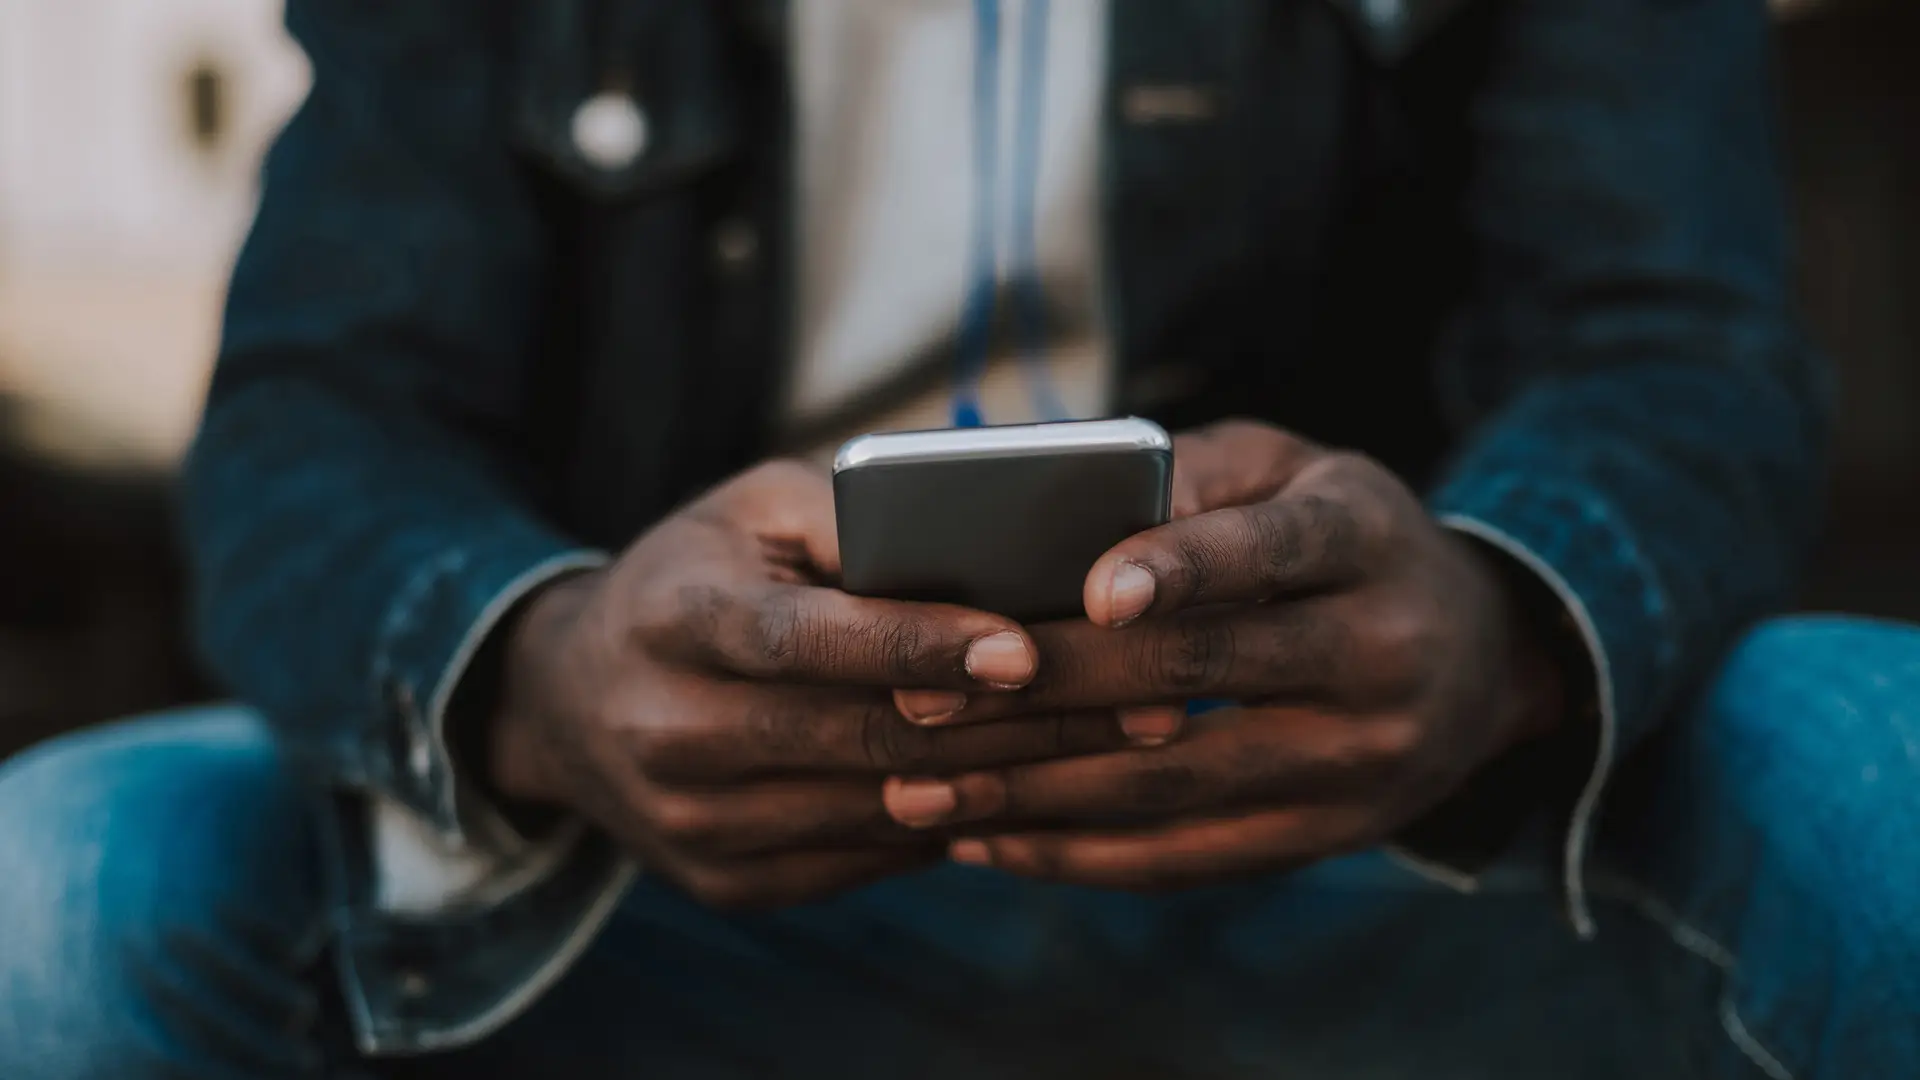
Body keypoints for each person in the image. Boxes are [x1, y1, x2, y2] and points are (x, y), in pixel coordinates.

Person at [1, 0, 1914, 1075]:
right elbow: (317, 422)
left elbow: (1677, 351)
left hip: (1389, 846)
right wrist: (547, 675)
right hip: (645, 899)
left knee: (1887, 783)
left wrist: (1495, 628)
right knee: (65, 886)